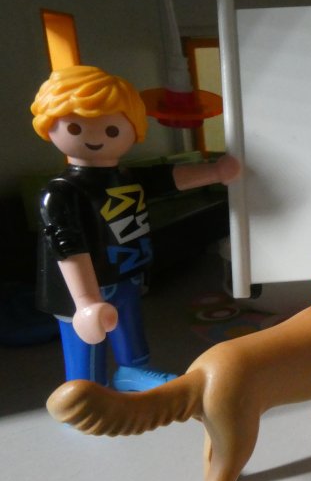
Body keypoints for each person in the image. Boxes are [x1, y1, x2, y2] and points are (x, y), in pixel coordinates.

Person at [31, 65, 240, 391]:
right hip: (79, 288)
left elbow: (167, 178)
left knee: (129, 326)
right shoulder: (60, 192)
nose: (96, 137)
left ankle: (132, 372)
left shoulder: (127, 177)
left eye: (111, 129)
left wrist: (215, 172)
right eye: (75, 126)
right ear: (49, 126)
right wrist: (85, 301)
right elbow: (67, 245)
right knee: (86, 341)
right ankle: (86, 391)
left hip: (125, 273)